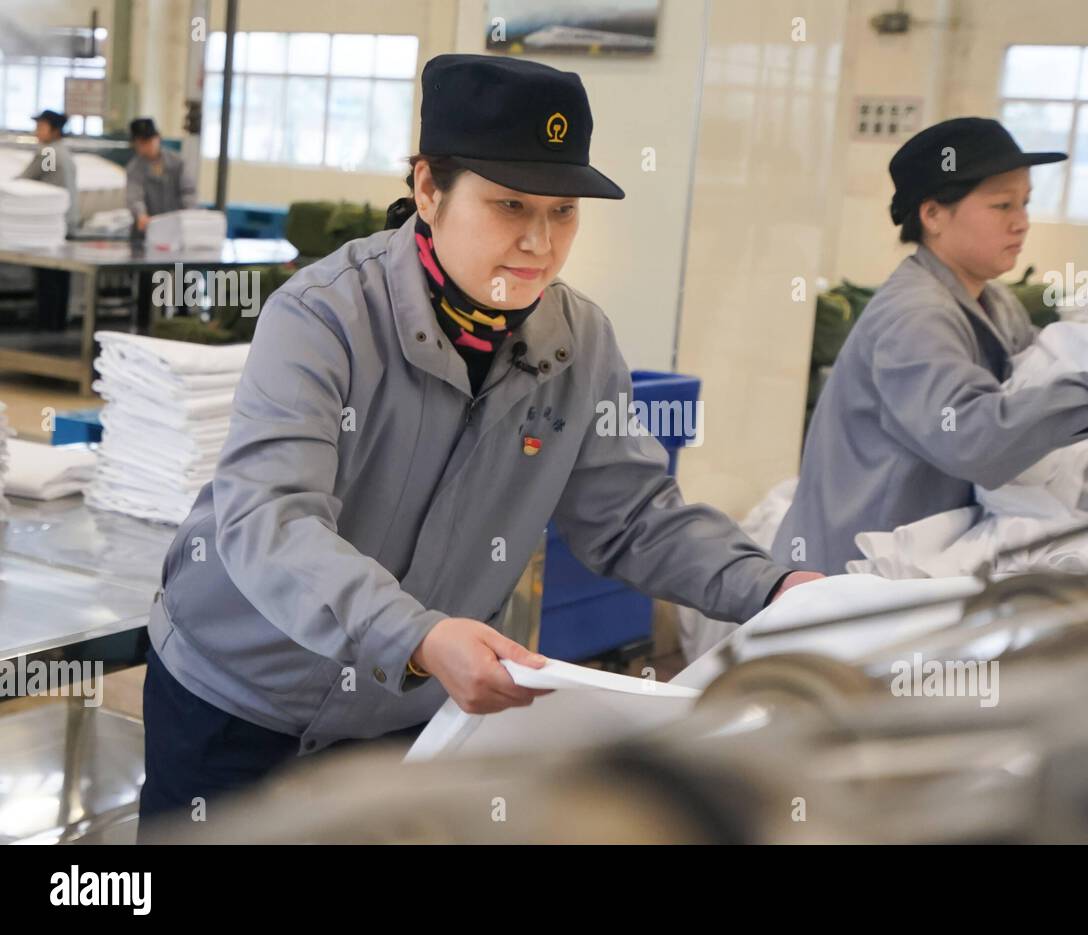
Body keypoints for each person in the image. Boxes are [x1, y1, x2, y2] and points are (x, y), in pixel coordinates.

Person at [138, 54, 820, 835]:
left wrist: (772, 586)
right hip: (237, 699)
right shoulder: (323, 318)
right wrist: (421, 635)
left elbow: (632, 515)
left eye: (563, 211)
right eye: (509, 205)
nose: (539, 242)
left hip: (402, 718)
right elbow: (270, 520)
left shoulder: (578, 341)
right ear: (428, 188)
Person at [775, 117, 1088, 575]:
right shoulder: (916, 316)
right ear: (932, 214)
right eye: (1001, 206)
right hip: (853, 568)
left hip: (922, 559)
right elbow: (972, 438)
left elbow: (1034, 385)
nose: (1021, 223)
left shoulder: (994, 301)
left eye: (1025, 204)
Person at [20, 109, 78, 331]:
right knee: (61, 276)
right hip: (67, 222)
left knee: (48, 277)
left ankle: (47, 324)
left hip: (51, 224)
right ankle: (58, 322)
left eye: (41, 127)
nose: (37, 131)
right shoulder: (65, 152)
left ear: (54, 130)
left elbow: (32, 182)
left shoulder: (49, 154)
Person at [125, 116, 197, 232]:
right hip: (148, 230)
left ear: (158, 138)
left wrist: (188, 215)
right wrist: (141, 215)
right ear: (135, 144)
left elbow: (188, 192)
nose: (147, 145)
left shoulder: (178, 163)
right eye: (142, 142)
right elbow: (134, 197)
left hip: (177, 227)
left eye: (150, 140)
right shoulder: (134, 169)